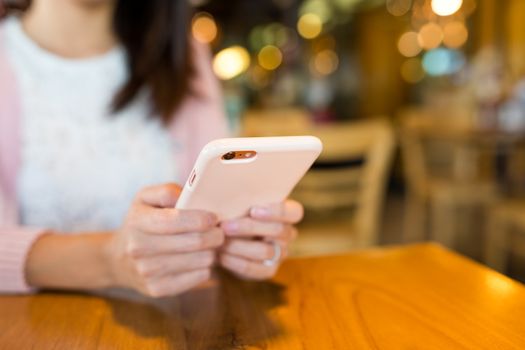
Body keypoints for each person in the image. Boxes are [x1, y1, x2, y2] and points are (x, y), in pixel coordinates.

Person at [0, 0, 302, 297]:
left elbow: (215, 209)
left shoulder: (184, 56)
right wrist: (110, 259)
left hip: (175, 323)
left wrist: (239, 239)